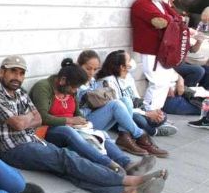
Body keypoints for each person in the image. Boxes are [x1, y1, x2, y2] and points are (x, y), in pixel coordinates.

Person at [0, 56, 168, 193]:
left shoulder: (20, 92)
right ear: (1, 72)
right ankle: (128, 180)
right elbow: (18, 123)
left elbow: (38, 117)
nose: (17, 76)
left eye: (21, 73)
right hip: (12, 150)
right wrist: (26, 119)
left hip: (31, 140)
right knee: (66, 157)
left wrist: (27, 119)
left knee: (69, 170)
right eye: (13, 71)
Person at [30, 59, 158, 172]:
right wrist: (70, 120)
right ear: (63, 80)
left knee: (99, 134)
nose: (75, 91)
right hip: (49, 129)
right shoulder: (43, 87)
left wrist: (83, 121)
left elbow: (76, 112)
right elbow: (42, 117)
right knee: (69, 132)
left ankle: (127, 163)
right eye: (74, 88)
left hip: (73, 126)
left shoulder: (69, 89)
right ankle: (109, 163)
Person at [74, 50, 167, 157]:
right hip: (83, 123)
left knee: (125, 100)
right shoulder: (75, 82)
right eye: (88, 68)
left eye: (95, 69)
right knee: (118, 106)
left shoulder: (92, 81)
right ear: (79, 65)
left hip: (96, 117)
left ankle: (125, 136)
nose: (91, 73)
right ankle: (140, 135)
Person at [131, 0, 184, 112]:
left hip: (164, 48)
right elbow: (161, 22)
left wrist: (172, 20)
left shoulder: (160, 3)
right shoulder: (141, 4)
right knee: (157, 82)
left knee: (164, 82)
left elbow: (177, 18)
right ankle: (150, 112)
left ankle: (157, 111)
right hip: (151, 48)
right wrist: (172, 20)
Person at [97, 51, 177, 138]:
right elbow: (119, 108)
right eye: (129, 60)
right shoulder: (108, 82)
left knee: (162, 115)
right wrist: (146, 114)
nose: (132, 62)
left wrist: (149, 111)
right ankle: (153, 131)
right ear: (122, 67)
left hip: (135, 109)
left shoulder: (128, 77)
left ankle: (147, 126)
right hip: (119, 115)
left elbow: (137, 98)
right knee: (139, 119)